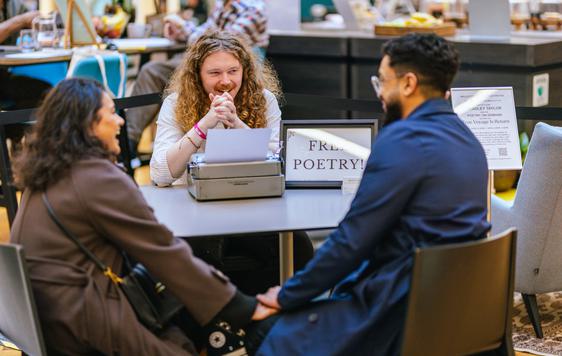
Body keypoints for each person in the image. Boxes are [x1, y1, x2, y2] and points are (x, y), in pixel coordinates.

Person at [255, 33, 491, 355]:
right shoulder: (469, 140)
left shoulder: (402, 140)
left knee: (271, 335)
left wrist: (287, 294)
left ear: (408, 83)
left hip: (401, 310)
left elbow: (351, 241)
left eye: (382, 80)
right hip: (461, 307)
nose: (380, 91)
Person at [10, 78, 278, 355]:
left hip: (46, 320)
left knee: (179, 328)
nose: (120, 122)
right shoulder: (96, 177)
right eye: (111, 113)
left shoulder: (45, 174)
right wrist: (242, 308)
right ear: (88, 125)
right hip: (82, 321)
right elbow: (162, 250)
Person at [150, 30, 313, 295]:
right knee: (199, 254)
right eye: (214, 73)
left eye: (233, 71)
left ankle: (266, 315)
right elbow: (160, 174)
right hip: (193, 211)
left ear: (244, 71)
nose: (225, 81)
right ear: (197, 75)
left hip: (253, 208)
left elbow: (279, 163)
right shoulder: (175, 103)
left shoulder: (264, 100)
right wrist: (204, 125)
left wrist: (236, 123)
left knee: (299, 248)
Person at [127, 0, 268, 154]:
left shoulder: (254, 10)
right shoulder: (222, 6)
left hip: (240, 74)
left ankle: (128, 145)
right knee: (152, 71)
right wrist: (179, 30)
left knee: (153, 73)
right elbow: (205, 37)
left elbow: (221, 44)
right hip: (212, 68)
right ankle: (128, 143)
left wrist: (182, 25)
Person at [0, 0, 50, 110]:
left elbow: (36, 27)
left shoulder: (16, 5)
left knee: (49, 93)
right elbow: (23, 20)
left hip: (4, 75)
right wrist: (20, 21)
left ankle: (12, 125)